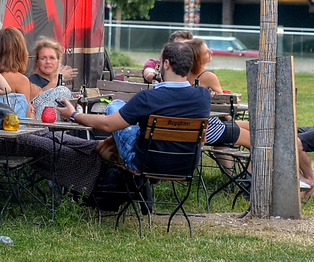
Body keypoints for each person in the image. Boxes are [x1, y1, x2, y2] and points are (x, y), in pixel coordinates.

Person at [60, 39, 210, 174]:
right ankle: (103, 146)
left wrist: (74, 114)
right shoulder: (203, 96)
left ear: (166, 64)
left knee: (115, 106)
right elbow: (202, 141)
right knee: (141, 126)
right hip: (187, 166)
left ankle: (101, 148)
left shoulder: (149, 98)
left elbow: (107, 125)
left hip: (147, 164)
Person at [0, 26, 37, 114]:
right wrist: (32, 112)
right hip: (11, 125)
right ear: (21, 51)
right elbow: (26, 116)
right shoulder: (21, 80)